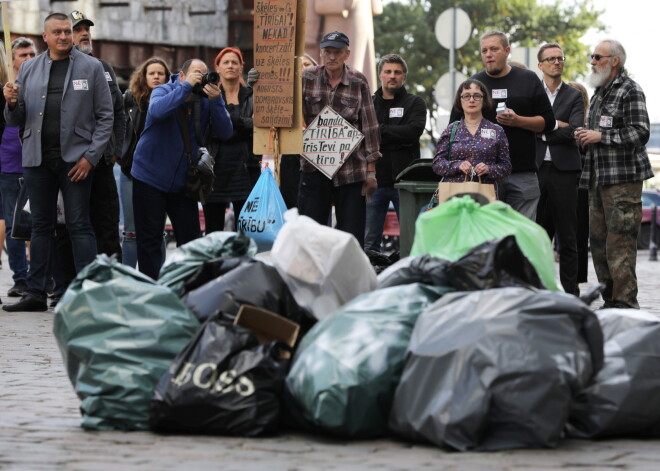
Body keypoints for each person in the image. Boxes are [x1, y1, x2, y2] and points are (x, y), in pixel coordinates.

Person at [2, 12, 113, 312]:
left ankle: (87, 292)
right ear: (45, 37)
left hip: (76, 160)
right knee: (40, 226)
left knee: (79, 225)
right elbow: (16, 119)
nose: (65, 36)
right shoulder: (29, 69)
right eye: (58, 32)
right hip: (37, 159)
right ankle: (36, 293)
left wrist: (91, 157)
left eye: (67, 31)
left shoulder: (91, 67)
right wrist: (11, 103)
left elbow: (106, 117)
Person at [131, 58, 232, 279]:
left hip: (182, 182)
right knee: (150, 238)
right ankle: (152, 288)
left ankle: (186, 287)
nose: (200, 78)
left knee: (190, 239)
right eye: (196, 74)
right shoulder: (164, 90)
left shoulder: (204, 100)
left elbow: (225, 132)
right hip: (149, 177)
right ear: (182, 76)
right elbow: (156, 111)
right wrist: (185, 88)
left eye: (203, 74)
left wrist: (217, 101)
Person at [575, 39, 654, 309]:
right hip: (597, 178)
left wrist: (601, 136)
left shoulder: (629, 90)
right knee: (598, 243)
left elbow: (640, 132)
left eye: (598, 57)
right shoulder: (598, 93)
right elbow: (599, 136)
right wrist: (585, 137)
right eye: (592, 56)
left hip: (622, 181)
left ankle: (625, 305)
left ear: (614, 61)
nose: (592, 61)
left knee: (619, 243)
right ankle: (610, 302)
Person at [450, 30, 555, 219]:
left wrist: (519, 121)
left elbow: (548, 122)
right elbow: (454, 129)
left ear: (507, 51)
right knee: (486, 236)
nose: (488, 54)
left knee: (521, 235)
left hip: (522, 173)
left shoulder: (528, 79)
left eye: (494, 49)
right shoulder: (472, 85)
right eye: (484, 51)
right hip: (482, 176)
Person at [300, 31, 381, 246]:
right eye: (327, 51)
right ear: (320, 52)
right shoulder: (306, 78)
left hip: (351, 170)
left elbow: (370, 126)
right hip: (314, 166)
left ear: (347, 54)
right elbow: (286, 108)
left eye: (337, 52)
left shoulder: (358, 81)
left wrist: (371, 171)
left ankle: (350, 277)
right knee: (311, 230)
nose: (331, 57)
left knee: (352, 234)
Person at [69, 10, 125, 260]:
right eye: (77, 30)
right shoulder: (60, 69)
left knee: (108, 227)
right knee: (73, 227)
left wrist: (115, 151)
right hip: (71, 164)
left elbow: (119, 113)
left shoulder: (105, 68)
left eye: (86, 29)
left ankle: (113, 285)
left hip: (102, 162)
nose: (84, 34)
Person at [534, 43, 584, 295]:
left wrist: (542, 130)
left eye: (560, 58)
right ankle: (541, 291)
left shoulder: (574, 95)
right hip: (537, 169)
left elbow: (574, 131)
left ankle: (571, 294)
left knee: (568, 237)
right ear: (540, 65)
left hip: (565, 171)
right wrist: (556, 126)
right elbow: (527, 128)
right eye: (551, 59)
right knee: (538, 234)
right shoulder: (533, 93)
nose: (557, 62)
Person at [365, 53, 426, 252]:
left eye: (397, 72)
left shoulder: (415, 103)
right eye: (388, 71)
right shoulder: (368, 104)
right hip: (374, 180)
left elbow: (413, 132)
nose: (393, 76)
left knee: (413, 237)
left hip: (406, 183)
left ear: (404, 77)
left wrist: (379, 131)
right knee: (369, 241)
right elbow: (363, 136)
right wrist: (398, 136)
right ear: (380, 75)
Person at [120, 57, 171, 267]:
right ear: (144, 76)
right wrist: (118, 154)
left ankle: (157, 280)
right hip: (130, 171)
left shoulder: (172, 101)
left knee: (156, 231)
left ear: (167, 77)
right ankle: (127, 282)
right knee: (131, 231)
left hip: (160, 175)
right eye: (152, 73)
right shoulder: (130, 100)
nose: (156, 77)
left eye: (160, 73)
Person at [203, 47, 259, 233]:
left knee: (246, 230)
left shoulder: (252, 96)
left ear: (241, 67)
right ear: (217, 67)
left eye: (235, 62)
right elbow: (210, 130)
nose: (230, 66)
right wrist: (244, 124)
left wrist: (229, 122)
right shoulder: (207, 96)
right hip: (215, 170)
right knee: (213, 230)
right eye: (225, 62)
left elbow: (259, 126)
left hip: (246, 169)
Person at [0, 37, 36, 297]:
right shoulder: (6, 88)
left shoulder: (44, 84)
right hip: (11, 165)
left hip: (41, 162)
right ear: (12, 61)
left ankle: (41, 277)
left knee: (44, 223)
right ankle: (21, 278)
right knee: (14, 225)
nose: (28, 59)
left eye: (32, 54)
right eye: (23, 55)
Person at [433, 79, 511, 186]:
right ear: (460, 100)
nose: (471, 100)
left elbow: (506, 167)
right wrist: (458, 165)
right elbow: (437, 164)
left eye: (477, 96)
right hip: (454, 195)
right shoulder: (451, 130)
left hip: (485, 195)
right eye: (466, 96)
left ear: (484, 100)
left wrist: (489, 169)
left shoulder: (497, 130)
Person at [568, 80, 590, 285]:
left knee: (578, 233)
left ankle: (576, 280)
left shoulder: (587, 123)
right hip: (559, 176)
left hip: (581, 181)